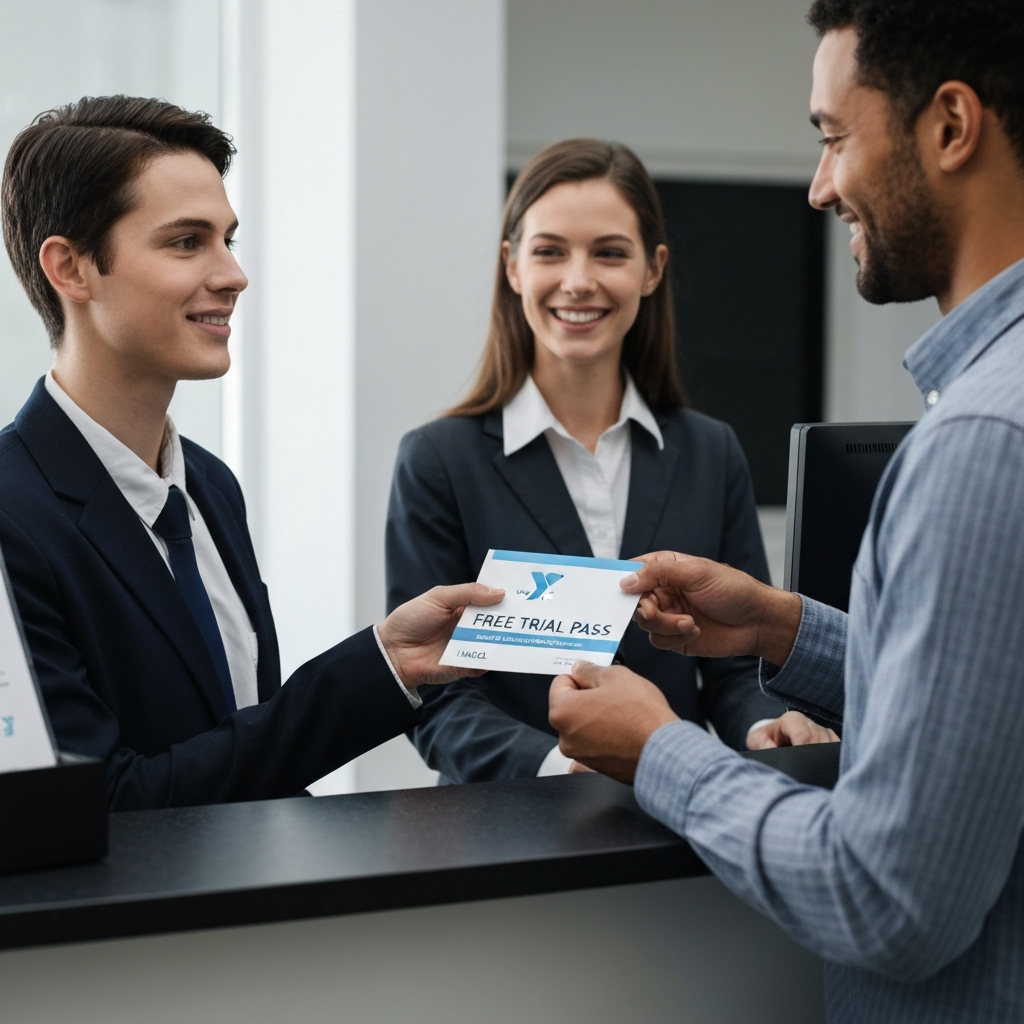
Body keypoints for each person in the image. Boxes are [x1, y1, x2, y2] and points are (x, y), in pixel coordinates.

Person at [547, 1, 1024, 1020]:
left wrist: (658, 749)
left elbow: (889, 900)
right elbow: (991, 704)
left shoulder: (982, 442)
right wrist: (781, 625)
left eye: (832, 137)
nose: (817, 187)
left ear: (950, 126)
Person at [0, 96, 503, 810]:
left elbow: (243, 752)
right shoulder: (11, 516)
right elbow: (101, 804)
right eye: (186, 242)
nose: (232, 274)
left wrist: (388, 661)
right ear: (71, 268)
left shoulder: (210, 486)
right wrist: (377, 667)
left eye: (229, 239)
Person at [386, 139, 834, 785]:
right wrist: (564, 763)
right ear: (512, 266)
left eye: (609, 252)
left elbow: (736, 668)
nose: (578, 280)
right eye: (549, 251)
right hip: (504, 836)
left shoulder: (711, 452)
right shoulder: (437, 461)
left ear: (652, 270)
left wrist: (764, 727)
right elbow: (437, 698)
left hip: (677, 825)